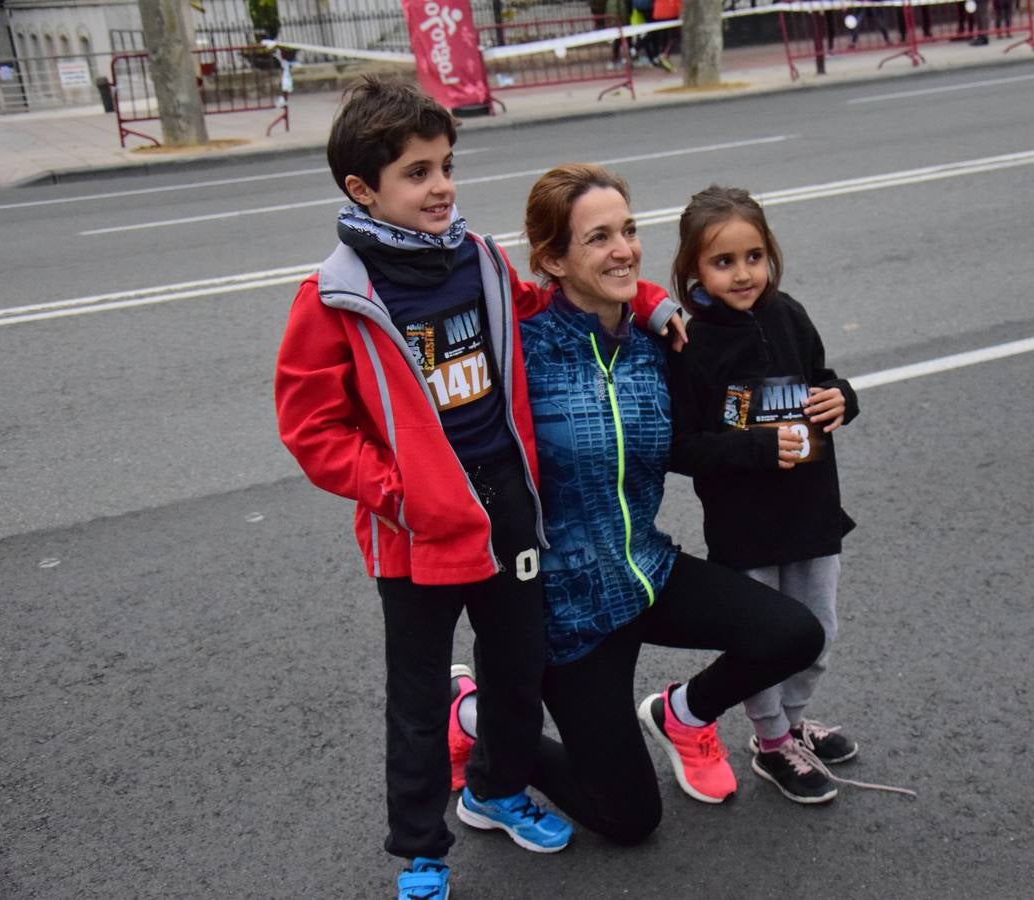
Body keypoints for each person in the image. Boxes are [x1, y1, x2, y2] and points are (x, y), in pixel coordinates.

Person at [274, 78, 678, 900]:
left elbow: (547, 297)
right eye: (418, 173)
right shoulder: (335, 297)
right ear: (364, 190)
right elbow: (312, 430)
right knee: (420, 704)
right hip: (417, 530)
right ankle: (423, 852)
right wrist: (400, 493)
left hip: (508, 509)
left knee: (514, 672)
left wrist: (651, 297)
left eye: (446, 165)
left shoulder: (480, 259)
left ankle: (494, 791)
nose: (442, 186)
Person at [448, 163, 826, 844]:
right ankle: (478, 721)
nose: (623, 248)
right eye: (598, 238)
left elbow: (704, 425)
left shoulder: (659, 342)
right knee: (629, 820)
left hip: (645, 571)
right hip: (565, 611)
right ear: (552, 259)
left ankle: (683, 714)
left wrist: (819, 410)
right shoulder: (519, 352)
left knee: (795, 633)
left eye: (627, 230)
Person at [664, 185, 862, 804]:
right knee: (765, 638)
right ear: (694, 269)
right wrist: (750, 449)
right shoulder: (690, 346)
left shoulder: (791, 314)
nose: (743, 273)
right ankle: (772, 743)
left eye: (753, 256)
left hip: (812, 514)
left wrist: (843, 398)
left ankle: (794, 722)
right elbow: (680, 445)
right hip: (745, 527)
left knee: (818, 631)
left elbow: (822, 381)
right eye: (723, 262)